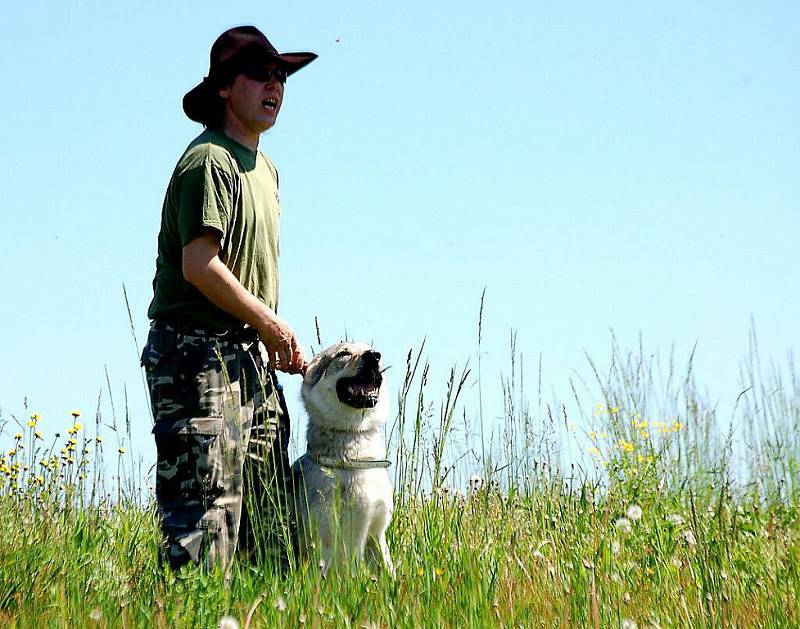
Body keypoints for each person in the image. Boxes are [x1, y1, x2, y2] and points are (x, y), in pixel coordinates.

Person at [140, 25, 316, 578]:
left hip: (247, 356)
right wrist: (269, 321)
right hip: (195, 355)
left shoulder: (265, 169)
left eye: (281, 76)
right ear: (223, 88)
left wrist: (265, 334)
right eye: (260, 73)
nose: (275, 85)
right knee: (206, 512)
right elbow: (199, 265)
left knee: (269, 513)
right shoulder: (208, 161)